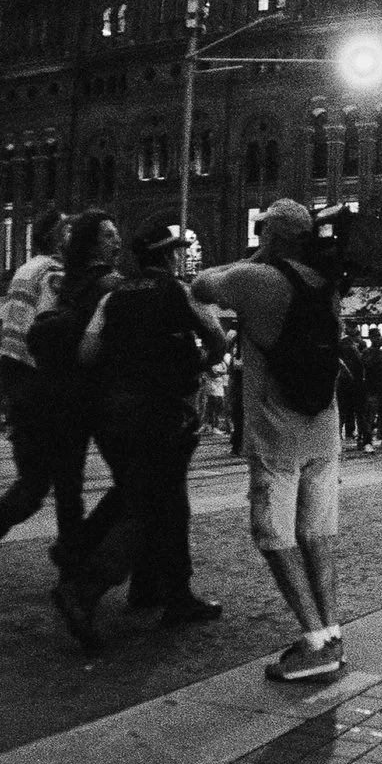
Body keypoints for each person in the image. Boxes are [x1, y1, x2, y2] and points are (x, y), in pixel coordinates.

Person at [47, 215, 227, 649]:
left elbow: (88, 353)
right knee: (151, 506)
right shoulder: (177, 291)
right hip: (164, 416)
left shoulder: (114, 295)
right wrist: (193, 366)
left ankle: (169, 593)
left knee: (154, 498)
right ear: (167, 255)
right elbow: (218, 340)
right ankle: (85, 586)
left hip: (116, 417)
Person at [191, 199, 349, 681]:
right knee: (317, 533)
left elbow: (199, 285)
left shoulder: (257, 280)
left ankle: (313, 643)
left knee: (273, 533)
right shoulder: (327, 287)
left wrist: (261, 257)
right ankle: (332, 632)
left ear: (272, 236)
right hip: (324, 429)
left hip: (277, 432)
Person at [0, 209, 82, 586]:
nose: (72, 236)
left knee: (40, 482)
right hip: (42, 384)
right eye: (68, 231)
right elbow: (49, 328)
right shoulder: (53, 275)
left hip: (21, 381)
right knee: (58, 481)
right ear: (57, 239)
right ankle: (72, 562)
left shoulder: (26, 270)